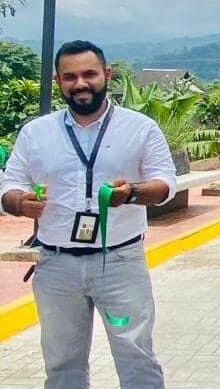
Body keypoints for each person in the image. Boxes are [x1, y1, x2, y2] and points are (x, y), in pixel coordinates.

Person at [0, 40, 176, 389]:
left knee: (136, 357)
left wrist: (132, 194)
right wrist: (19, 203)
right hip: (56, 265)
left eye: (89, 74)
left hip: (120, 262)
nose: (80, 83)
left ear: (106, 75)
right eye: (70, 77)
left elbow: (165, 183)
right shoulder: (37, 133)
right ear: (58, 81)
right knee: (62, 363)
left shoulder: (139, 128)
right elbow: (9, 187)